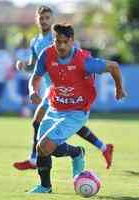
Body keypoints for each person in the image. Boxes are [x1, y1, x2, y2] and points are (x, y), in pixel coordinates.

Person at [28, 23, 126, 193]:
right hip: (54, 108)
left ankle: (53, 178)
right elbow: (35, 77)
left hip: (76, 113)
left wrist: (119, 88)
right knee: (42, 148)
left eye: (65, 42)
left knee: (44, 146)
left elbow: (113, 66)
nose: (61, 46)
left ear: (72, 41)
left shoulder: (84, 60)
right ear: (54, 40)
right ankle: (50, 181)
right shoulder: (47, 55)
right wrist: (32, 91)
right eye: (58, 42)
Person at [14, 5, 114, 171]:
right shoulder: (35, 42)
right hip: (50, 88)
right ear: (36, 20)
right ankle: (103, 147)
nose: (44, 21)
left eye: (47, 18)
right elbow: (35, 66)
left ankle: (35, 159)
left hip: (57, 88)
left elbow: (77, 59)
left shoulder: (59, 38)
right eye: (41, 18)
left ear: (52, 20)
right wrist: (24, 66)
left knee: (41, 121)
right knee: (65, 123)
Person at [14, 37, 33, 117]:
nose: (24, 43)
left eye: (25, 41)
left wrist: (26, 64)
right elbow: (17, 63)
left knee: (30, 95)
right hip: (21, 76)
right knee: (23, 96)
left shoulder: (31, 51)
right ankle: (23, 111)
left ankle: (28, 111)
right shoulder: (18, 52)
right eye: (22, 42)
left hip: (30, 77)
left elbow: (32, 63)